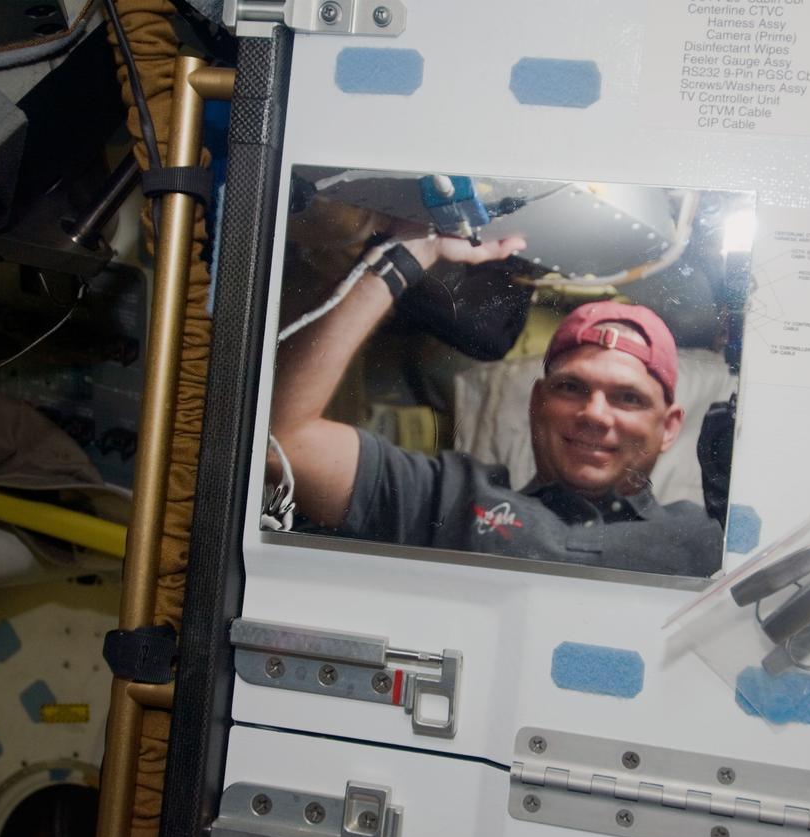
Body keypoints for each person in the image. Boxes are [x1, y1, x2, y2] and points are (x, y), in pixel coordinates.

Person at [270, 230, 724, 578]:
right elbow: (284, 442)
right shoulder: (450, 497)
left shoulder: (705, 541)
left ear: (669, 427)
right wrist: (407, 254)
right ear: (536, 404)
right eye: (571, 388)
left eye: (628, 398)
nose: (595, 414)